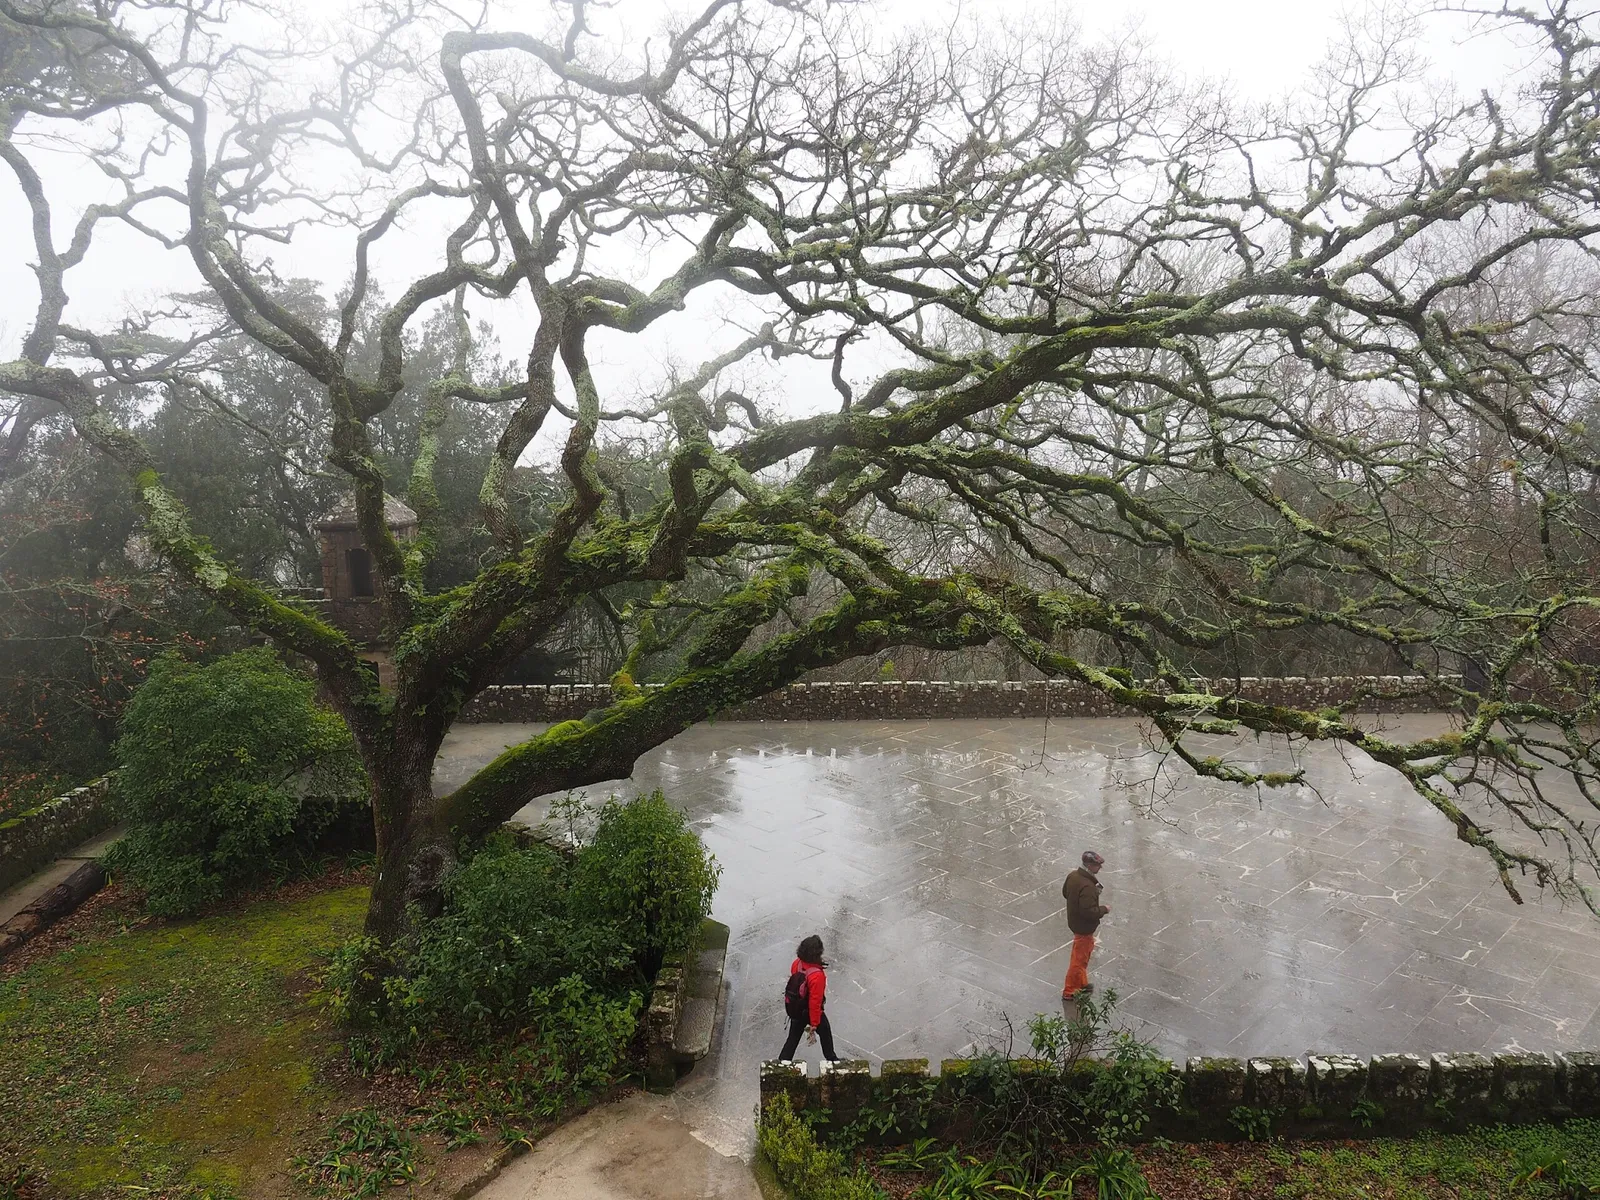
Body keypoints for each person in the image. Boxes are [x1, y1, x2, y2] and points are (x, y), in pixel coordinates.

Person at [778, 934, 839, 1062]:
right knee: (825, 1034)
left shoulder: (797, 964)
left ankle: (783, 1062)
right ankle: (832, 1060)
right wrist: (815, 1023)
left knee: (793, 1038)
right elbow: (815, 1002)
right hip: (810, 1012)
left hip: (796, 1009)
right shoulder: (817, 976)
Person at [1062, 850, 1109, 1000]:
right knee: (1078, 961)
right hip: (1084, 927)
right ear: (1089, 865)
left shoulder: (1073, 876)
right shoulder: (1088, 886)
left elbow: (1065, 893)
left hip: (1075, 922)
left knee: (1082, 957)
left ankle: (1081, 984)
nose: (1099, 868)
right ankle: (1069, 991)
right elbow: (1090, 912)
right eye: (1097, 865)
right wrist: (1104, 909)